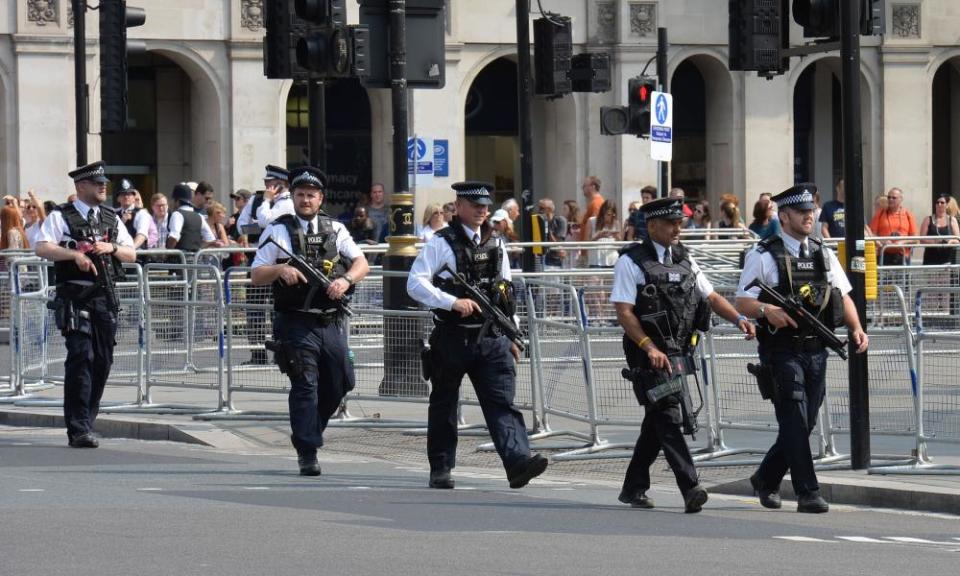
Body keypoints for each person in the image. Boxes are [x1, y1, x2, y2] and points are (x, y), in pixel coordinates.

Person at [613, 197, 755, 513]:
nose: (679, 228)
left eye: (681, 222)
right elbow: (624, 311)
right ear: (651, 226)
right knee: (669, 415)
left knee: (657, 420)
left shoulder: (685, 259)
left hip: (678, 350)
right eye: (671, 223)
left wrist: (739, 319)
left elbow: (712, 296)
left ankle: (633, 486)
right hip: (646, 353)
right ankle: (690, 486)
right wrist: (649, 346)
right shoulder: (630, 262)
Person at [406, 180, 549, 490]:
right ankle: (441, 468)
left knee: (502, 403)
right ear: (458, 207)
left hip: (492, 337)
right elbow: (415, 283)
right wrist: (451, 301)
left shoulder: (497, 243)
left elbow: (506, 292)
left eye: (485, 205)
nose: (482, 210)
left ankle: (518, 462)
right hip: (453, 336)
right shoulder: (440, 242)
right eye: (475, 205)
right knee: (444, 403)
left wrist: (512, 332)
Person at [735, 183, 868, 514]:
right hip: (780, 350)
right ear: (784, 216)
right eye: (802, 212)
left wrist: (856, 328)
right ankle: (808, 491)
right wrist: (767, 311)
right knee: (794, 418)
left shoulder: (822, 253)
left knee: (805, 422)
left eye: (812, 212)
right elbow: (742, 300)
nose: (810, 217)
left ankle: (766, 478)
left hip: (815, 351)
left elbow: (843, 295)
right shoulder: (763, 255)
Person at [251, 166, 370, 476]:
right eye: (300, 194)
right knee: (305, 383)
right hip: (295, 321)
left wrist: (345, 280)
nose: (305, 200)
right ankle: (307, 451)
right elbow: (256, 274)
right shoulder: (277, 230)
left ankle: (309, 431)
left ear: (321, 198)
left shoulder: (335, 230)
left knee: (343, 379)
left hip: (329, 319)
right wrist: (280, 270)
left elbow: (361, 263)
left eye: (311, 195)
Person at [34, 161, 137, 448]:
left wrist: (112, 247)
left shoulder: (110, 218)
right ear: (81, 187)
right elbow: (42, 247)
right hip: (75, 296)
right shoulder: (61, 216)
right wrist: (73, 256)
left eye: (104, 183)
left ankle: (86, 420)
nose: (103, 186)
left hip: (105, 297)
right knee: (81, 357)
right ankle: (78, 428)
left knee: (102, 361)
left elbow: (132, 254)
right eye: (97, 183)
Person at [166, 183, 224, 251]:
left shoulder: (177, 214)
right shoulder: (199, 216)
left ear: (177, 201)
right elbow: (211, 240)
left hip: (178, 259)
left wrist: (167, 253)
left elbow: (174, 237)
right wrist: (196, 247)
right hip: (195, 259)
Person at [869, 187, 918, 265]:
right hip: (884, 255)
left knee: (902, 277)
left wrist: (902, 242)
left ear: (901, 199)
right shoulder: (880, 214)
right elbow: (871, 234)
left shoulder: (908, 214)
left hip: (902, 256)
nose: (890, 199)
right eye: (889, 197)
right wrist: (883, 241)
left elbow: (915, 239)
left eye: (894, 198)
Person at [920, 194, 960, 265]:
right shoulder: (928, 220)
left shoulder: (952, 220)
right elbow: (922, 240)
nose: (939, 204)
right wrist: (936, 242)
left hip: (947, 261)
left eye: (942, 202)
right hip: (930, 260)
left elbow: (958, 239)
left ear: (947, 205)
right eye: (937, 202)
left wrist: (950, 241)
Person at [251, 165, 294, 231]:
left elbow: (264, 222)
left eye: (269, 181)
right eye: (265, 181)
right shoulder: (280, 201)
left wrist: (266, 200)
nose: (265, 184)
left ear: (280, 184)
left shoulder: (286, 202)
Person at [116, 179, 155, 250]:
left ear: (134, 198)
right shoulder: (114, 214)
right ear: (118, 198)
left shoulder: (142, 213)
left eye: (129, 194)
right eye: (123, 194)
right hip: (119, 255)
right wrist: (121, 222)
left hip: (137, 256)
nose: (126, 197)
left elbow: (142, 235)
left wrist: (130, 250)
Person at [587, 199, 621, 268]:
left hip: (612, 260)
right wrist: (598, 236)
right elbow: (587, 242)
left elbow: (620, 243)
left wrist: (616, 236)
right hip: (596, 260)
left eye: (609, 214)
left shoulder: (616, 223)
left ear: (613, 214)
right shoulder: (592, 221)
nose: (606, 216)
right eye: (604, 213)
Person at [538, 198, 567, 269]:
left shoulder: (560, 220)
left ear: (549, 209)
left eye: (542, 208)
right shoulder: (539, 221)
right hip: (541, 259)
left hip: (554, 260)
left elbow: (557, 243)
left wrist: (547, 227)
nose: (539, 211)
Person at [578, 175, 605, 241]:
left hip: (590, 248)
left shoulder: (597, 203)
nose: (582, 188)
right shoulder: (593, 203)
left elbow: (594, 227)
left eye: (585, 186)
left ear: (593, 187)